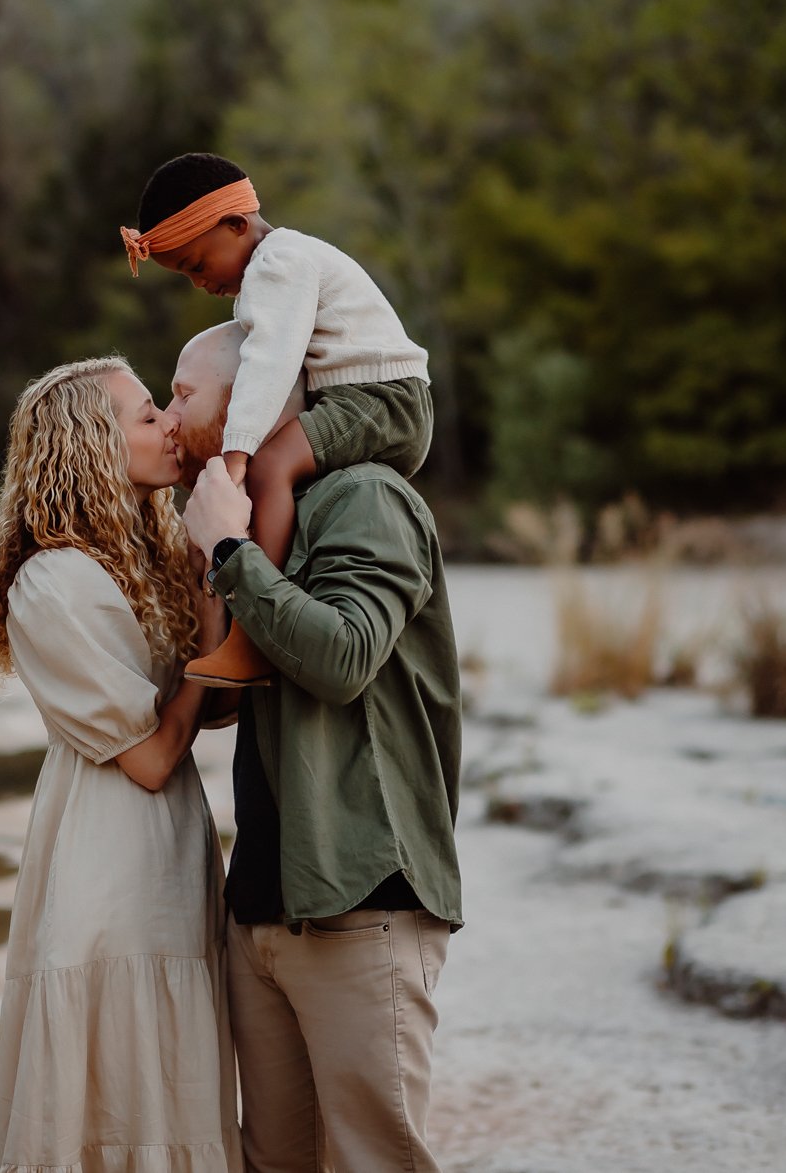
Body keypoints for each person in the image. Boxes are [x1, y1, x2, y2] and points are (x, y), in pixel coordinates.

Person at [170, 323, 463, 1173]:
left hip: (363, 893)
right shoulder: (262, 514)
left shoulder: (366, 497)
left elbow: (341, 658)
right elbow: (225, 701)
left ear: (252, 398)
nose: (169, 407)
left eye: (185, 391)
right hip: (263, 899)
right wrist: (214, 564)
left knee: (376, 1160)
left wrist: (231, 552)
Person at [0, 356, 242, 1173]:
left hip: (170, 854)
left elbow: (214, 700)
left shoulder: (142, 560)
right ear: (90, 444)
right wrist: (204, 621)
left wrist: (220, 577)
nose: (168, 425)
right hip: (109, 867)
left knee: (169, 1074)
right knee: (118, 1079)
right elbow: (157, 755)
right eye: (147, 413)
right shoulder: (53, 583)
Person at [122, 153, 432, 689]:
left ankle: (251, 639)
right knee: (275, 469)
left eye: (197, 265)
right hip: (366, 397)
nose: (198, 284)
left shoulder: (278, 263)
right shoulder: (276, 265)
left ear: (237, 225)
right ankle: (246, 627)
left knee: (270, 467)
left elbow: (268, 365)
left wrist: (239, 454)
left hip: (382, 399)